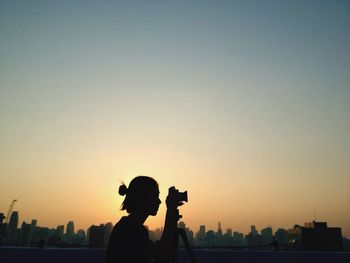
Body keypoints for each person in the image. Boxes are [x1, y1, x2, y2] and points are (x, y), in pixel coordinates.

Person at [106, 176, 181, 263]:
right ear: (141, 198)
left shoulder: (134, 227)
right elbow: (163, 255)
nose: (159, 201)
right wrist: (170, 211)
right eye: (155, 196)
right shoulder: (129, 229)